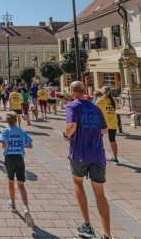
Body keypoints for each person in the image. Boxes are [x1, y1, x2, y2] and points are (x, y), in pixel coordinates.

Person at [64, 81, 111, 239]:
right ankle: (107, 234)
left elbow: (71, 126)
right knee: (100, 194)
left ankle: (87, 226)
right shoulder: (96, 108)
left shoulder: (72, 106)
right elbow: (104, 129)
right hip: (97, 153)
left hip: (79, 153)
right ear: (84, 91)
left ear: (72, 91)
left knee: (78, 183)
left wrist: (66, 135)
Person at [0, 111, 34, 227]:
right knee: (21, 185)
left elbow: (3, 144)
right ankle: (26, 207)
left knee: (10, 182)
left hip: (9, 158)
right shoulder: (22, 131)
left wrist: (8, 145)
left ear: (7, 121)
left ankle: (13, 205)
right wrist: (21, 145)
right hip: (20, 158)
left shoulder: (5, 131)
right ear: (16, 121)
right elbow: (30, 145)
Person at [95, 86, 119, 164]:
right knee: (112, 140)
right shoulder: (114, 100)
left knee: (99, 140)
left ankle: (100, 156)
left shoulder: (100, 100)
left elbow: (94, 111)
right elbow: (116, 110)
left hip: (102, 124)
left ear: (103, 92)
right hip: (112, 123)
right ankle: (115, 158)